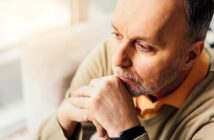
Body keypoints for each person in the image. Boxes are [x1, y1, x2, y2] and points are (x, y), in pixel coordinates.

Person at [37, 0, 214, 139]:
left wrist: (126, 132)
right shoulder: (107, 54)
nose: (117, 60)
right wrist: (65, 119)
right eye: (117, 34)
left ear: (189, 56)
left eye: (143, 46)